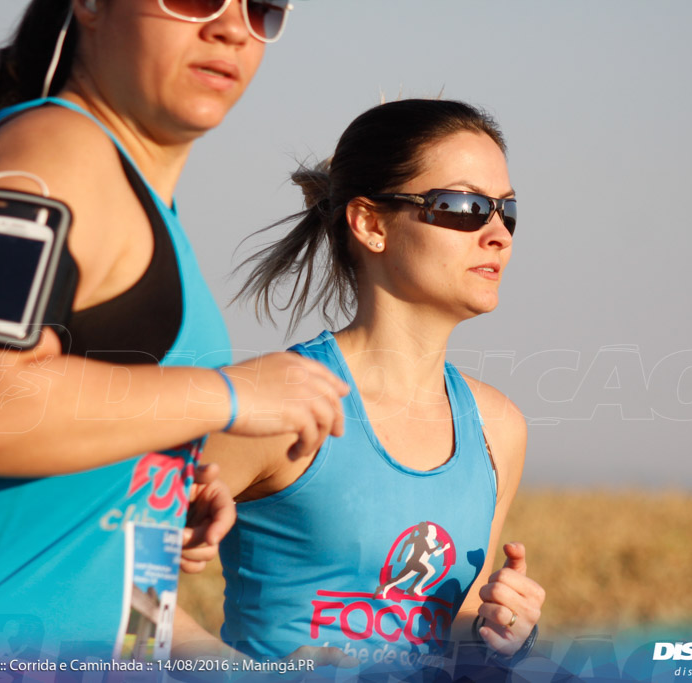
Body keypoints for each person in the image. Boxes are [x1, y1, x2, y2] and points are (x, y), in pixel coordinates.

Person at [0, 0, 349, 667]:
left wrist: (121, 478)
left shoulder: (128, 192)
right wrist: (229, 394)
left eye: (261, 8)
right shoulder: (54, 157)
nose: (230, 26)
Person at [202, 99, 546, 675]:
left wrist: (500, 633)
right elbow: (119, 589)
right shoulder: (276, 403)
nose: (497, 234)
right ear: (370, 224)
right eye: (463, 206)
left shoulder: (498, 429)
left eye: (506, 211)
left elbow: (453, 629)